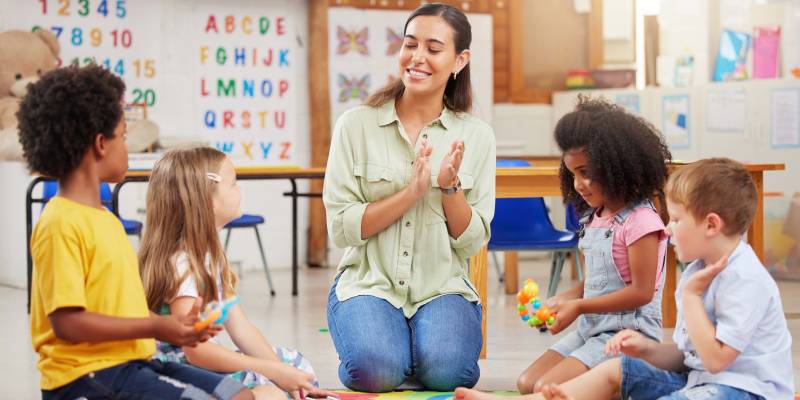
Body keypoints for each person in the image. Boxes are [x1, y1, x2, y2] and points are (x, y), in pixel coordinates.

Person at [456, 158, 795, 400]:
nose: (667, 228)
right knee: (617, 369)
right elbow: (687, 357)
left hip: (747, 391)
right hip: (700, 382)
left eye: (676, 220)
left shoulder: (744, 278)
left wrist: (690, 300)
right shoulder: (696, 271)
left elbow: (717, 360)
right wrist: (646, 349)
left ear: (711, 225)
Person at [21, 64, 253, 400]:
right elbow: (68, 323)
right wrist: (158, 326)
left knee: (239, 395)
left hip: (130, 362)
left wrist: (180, 328)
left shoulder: (107, 220)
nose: (127, 147)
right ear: (101, 144)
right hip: (85, 377)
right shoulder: (60, 222)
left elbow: (121, 308)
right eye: (124, 137)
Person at [322, 2, 495, 392]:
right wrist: (412, 193)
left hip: (442, 286)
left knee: (449, 374)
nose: (417, 58)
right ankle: (388, 348)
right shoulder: (356, 125)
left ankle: (412, 349)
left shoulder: (478, 136)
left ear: (459, 60)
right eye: (410, 44)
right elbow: (342, 228)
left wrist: (450, 189)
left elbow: (471, 241)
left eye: (433, 49)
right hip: (369, 283)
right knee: (375, 372)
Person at [139, 147, 339, 400]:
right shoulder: (183, 265)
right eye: (233, 183)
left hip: (202, 362)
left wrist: (281, 371)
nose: (240, 190)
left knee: (296, 367)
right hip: (180, 371)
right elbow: (195, 353)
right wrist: (273, 372)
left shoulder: (209, 257)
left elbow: (240, 327)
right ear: (207, 200)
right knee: (273, 392)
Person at [517, 96, 672, 393]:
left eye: (586, 172)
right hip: (592, 330)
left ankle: (626, 381)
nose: (578, 184)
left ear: (617, 165)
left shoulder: (640, 221)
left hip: (628, 334)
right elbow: (601, 281)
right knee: (527, 384)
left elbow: (641, 292)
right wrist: (563, 299)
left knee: (545, 388)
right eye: (572, 173)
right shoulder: (595, 217)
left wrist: (579, 306)